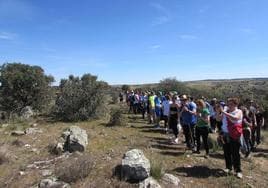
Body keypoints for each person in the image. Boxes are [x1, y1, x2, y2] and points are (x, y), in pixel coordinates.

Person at [216, 98, 243, 179]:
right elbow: (218, 119)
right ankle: (228, 167)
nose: (229, 105)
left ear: (236, 104)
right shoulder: (226, 111)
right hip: (225, 134)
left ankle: (238, 171)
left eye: (231, 104)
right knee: (226, 152)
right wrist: (218, 111)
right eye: (228, 104)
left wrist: (223, 112)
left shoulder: (239, 111)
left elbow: (235, 118)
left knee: (235, 153)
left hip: (234, 135)